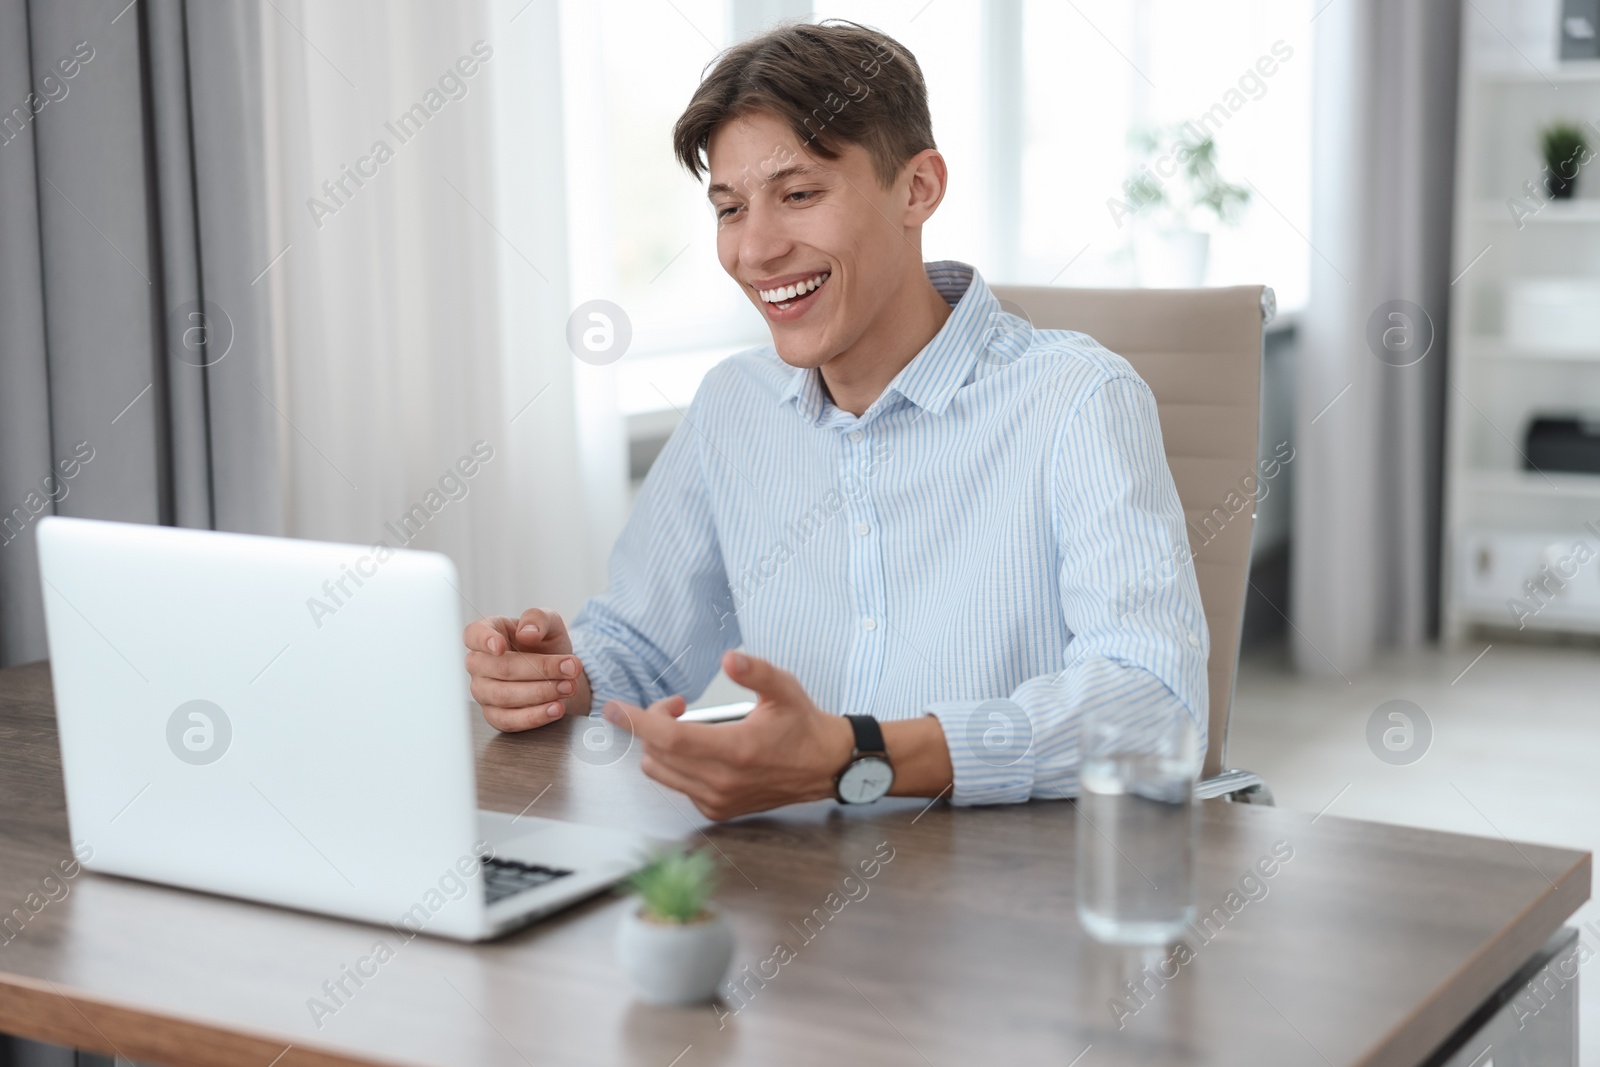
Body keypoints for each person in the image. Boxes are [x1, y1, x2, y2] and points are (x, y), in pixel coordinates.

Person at [463, 19, 1208, 821]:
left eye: (799, 194)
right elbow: (641, 650)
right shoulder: (732, 408)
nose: (755, 250)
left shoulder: (1078, 400)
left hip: (1009, 891)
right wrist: (560, 678)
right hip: (793, 886)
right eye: (729, 208)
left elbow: (1153, 704)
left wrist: (862, 757)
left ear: (917, 189)